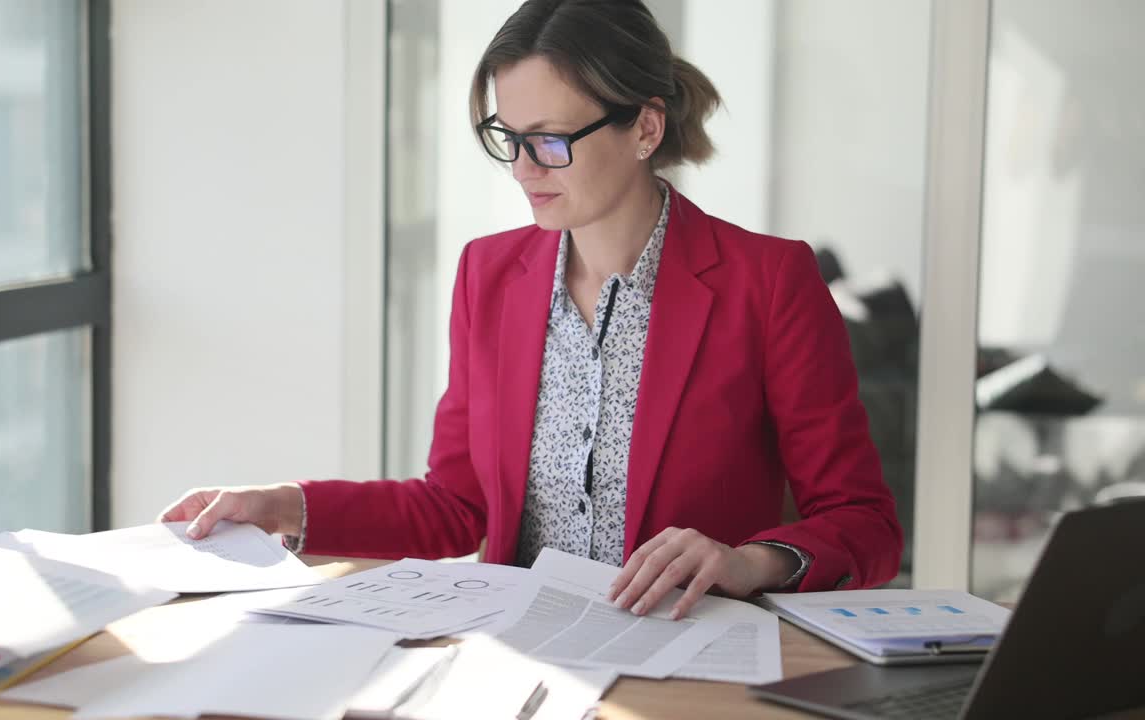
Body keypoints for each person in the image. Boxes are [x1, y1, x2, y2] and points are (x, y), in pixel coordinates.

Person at [160, 0, 902, 621]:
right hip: (516, 656)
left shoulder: (768, 281)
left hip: (691, 662)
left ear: (645, 128)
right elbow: (457, 505)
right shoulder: (490, 274)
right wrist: (286, 505)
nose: (521, 170)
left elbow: (864, 524)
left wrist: (745, 562)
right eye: (508, 139)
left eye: (549, 141)